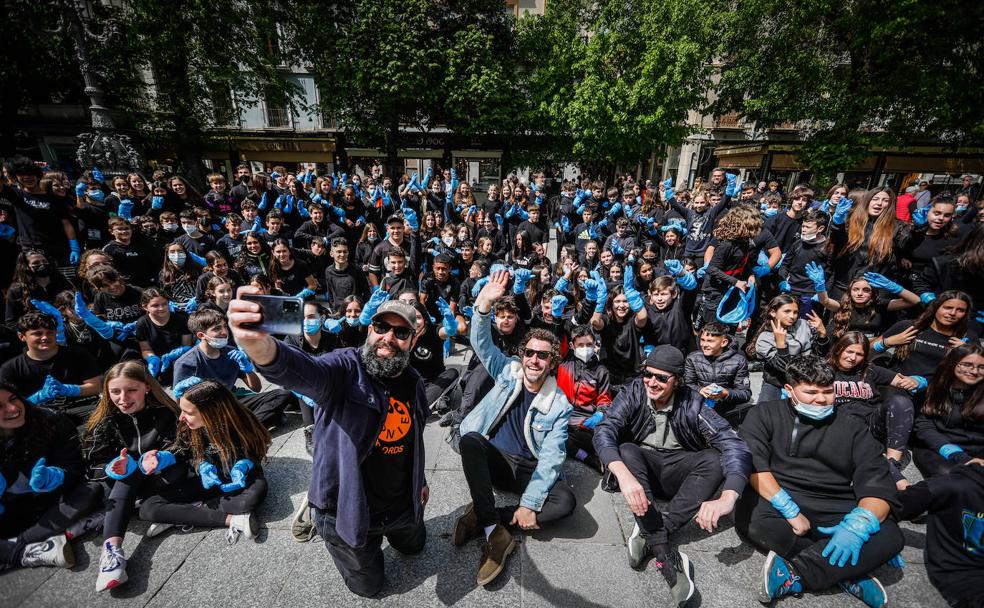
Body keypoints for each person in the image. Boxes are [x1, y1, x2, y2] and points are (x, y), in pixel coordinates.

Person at [227, 288, 429, 598]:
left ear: (413, 341)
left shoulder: (412, 380)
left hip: (402, 503)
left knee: (415, 547)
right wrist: (262, 348)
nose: (389, 337)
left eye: (401, 332)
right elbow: (307, 371)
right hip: (346, 511)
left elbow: (415, 437)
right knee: (369, 588)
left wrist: (421, 481)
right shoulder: (344, 368)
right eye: (381, 327)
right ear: (369, 329)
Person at [736, 355, 903, 608]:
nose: (821, 399)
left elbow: (876, 482)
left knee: (891, 536)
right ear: (789, 390)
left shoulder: (853, 427)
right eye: (811, 392)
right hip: (780, 496)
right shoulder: (763, 413)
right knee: (751, 518)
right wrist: (789, 509)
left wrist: (859, 525)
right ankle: (846, 569)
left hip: (834, 502)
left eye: (827, 391)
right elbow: (754, 466)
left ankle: (798, 574)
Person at [592, 344, 752, 607]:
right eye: (648, 374)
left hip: (679, 471)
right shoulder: (633, 392)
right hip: (642, 470)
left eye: (661, 378)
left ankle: (651, 530)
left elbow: (733, 445)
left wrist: (729, 497)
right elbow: (605, 430)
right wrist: (623, 476)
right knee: (627, 450)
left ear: (676, 381)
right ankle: (666, 556)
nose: (652, 383)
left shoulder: (693, 403)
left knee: (714, 460)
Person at [452, 270, 576, 586]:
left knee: (565, 502)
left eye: (542, 356)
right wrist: (482, 306)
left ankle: (485, 515)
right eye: (529, 353)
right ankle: (496, 534)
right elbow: (481, 344)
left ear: (552, 362)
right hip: (498, 459)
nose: (534, 360)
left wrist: (530, 503)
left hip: (527, 470)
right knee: (470, 441)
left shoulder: (559, 403)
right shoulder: (509, 370)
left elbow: (551, 460)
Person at [81, 361, 181, 591]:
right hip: (126, 485)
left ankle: (142, 507)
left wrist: (164, 456)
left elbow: (184, 445)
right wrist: (113, 466)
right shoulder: (102, 420)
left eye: (131, 390)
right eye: (115, 391)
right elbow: (93, 463)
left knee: (169, 473)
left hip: (163, 477)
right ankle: (112, 555)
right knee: (128, 475)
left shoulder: (166, 412)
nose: (123, 397)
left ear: (146, 387)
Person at [137, 379, 269, 543]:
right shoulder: (189, 428)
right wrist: (164, 458)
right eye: (181, 410)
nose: (181, 417)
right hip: (208, 482)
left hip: (240, 482)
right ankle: (229, 519)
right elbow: (181, 451)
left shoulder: (241, 423)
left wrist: (243, 466)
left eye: (188, 412)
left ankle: (184, 514)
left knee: (253, 497)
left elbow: (255, 452)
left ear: (212, 411)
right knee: (148, 508)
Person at [0, 383, 100, 571]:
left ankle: (17, 548)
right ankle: (29, 549)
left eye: (13, 399)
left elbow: (75, 467)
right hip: (14, 512)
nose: (13, 408)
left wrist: (57, 476)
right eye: (0, 406)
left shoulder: (50, 420)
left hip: (55, 501)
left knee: (91, 491)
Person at [172, 308, 292, 428]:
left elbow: (256, 388)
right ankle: (254, 425)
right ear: (201, 335)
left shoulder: (231, 352)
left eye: (225, 326)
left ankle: (244, 427)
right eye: (217, 329)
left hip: (232, 402)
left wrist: (248, 370)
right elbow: (182, 409)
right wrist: (179, 395)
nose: (224, 332)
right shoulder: (186, 363)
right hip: (209, 411)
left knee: (283, 394)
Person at [0, 311, 104, 422]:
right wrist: (38, 397)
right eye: (38, 333)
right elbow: (8, 404)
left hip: (82, 408)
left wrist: (70, 390)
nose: (45, 337)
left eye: (50, 332)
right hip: (38, 414)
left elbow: (97, 386)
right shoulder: (10, 368)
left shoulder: (78, 354)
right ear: (22, 336)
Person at [909, 343, 984, 479]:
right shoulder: (934, 388)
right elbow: (924, 428)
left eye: (981, 367)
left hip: (977, 451)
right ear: (952, 364)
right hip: (938, 448)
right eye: (967, 364)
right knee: (957, 478)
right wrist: (957, 455)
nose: (974, 371)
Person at [559, 324, 613, 472]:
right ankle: (587, 457)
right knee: (557, 437)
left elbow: (605, 399)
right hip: (561, 416)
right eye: (580, 345)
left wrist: (600, 413)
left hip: (585, 422)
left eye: (589, 344)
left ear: (595, 344)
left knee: (567, 440)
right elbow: (558, 334)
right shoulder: (565, 363)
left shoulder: (601, 371)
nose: (585, 348)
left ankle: (590, 456)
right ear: (572, 345)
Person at [683, 321, 752, 426]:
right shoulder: (693, 358)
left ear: (723, 342)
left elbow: (745, 393)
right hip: (698, 407)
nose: (704, 345)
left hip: (726, 409)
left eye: (710, 341)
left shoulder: (738, 361)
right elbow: (686, 385)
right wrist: (700, 390)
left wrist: (725, 393)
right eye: (702, 340)